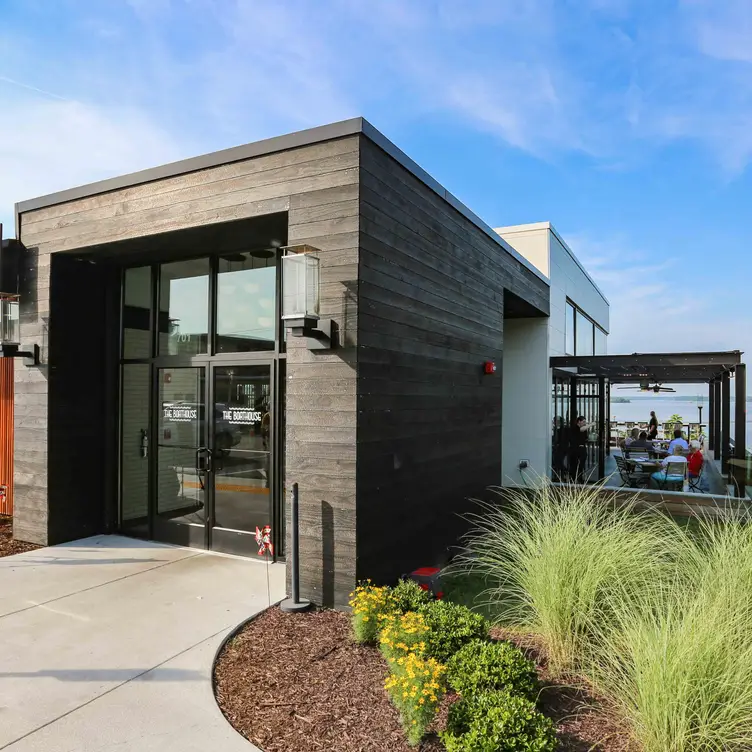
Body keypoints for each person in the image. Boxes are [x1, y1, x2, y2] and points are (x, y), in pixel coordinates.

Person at [571, 415, 595, 482]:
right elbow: (581, 430)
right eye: (583, 421)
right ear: (579, 421)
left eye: (585, 422)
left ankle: (580, 478)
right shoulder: (575, 428)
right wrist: (591, 424)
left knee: (581, 465)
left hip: (582, 449)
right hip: (575, 449)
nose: (585, 423)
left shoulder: (584, 430)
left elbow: (585, 438)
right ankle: (574, 478)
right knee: (575, 465)